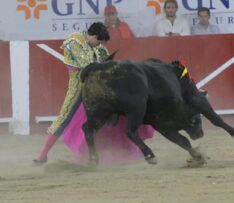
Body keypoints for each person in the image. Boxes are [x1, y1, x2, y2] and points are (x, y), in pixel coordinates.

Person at [33, 22, 154, 165]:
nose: (99, 46)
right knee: (63, 119)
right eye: (99, 42)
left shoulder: (98, 46)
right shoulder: (73, 42)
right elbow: (87, 66)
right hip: (78, 87)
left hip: (98, 87)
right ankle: (42, 155)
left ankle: (116, 152)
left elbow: (106, 62)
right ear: (95, 36)